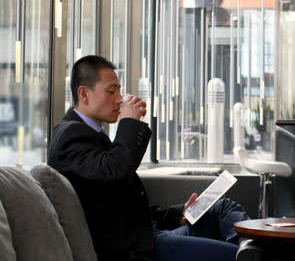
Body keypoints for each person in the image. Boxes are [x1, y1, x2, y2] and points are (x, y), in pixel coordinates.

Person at [48, 55, 249, 261]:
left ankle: (249, 250)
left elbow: (122, 201)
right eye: (111, 91)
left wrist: (179, 213)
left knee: (223, 208)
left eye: (119, 90)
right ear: (84, 93)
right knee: (233, 256)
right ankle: (246, 253)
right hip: (137, 248)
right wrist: (128, 123)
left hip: (149, 234)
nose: (120, 98)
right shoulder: (70, 136)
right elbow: (114, 171)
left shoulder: (92, 134)